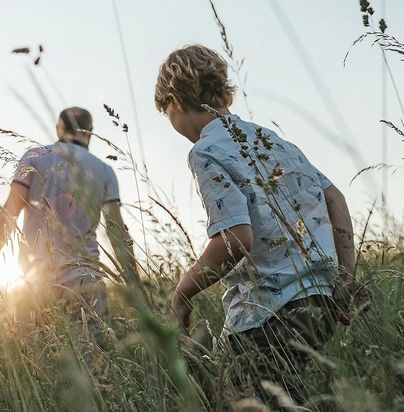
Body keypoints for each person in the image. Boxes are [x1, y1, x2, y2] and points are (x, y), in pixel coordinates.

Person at [154, 45, 362, 402]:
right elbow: (335, 200)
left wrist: (182, 292)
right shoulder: (272, 139)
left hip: (268, 314)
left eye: (167, 113)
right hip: (321, 301)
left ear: (173, 101)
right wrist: (344, 277)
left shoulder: (206, 151)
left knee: (244, 400)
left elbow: (235, 238)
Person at [0, 106, 138, 349]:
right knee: (94, 366)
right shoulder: (105, 171)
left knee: (39, 367)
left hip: (34, 281)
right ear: (90, 133)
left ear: (59, 129)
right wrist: (134, 283)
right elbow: (116, 231)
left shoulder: (34, 157)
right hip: (85, 281)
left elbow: (9, 214)